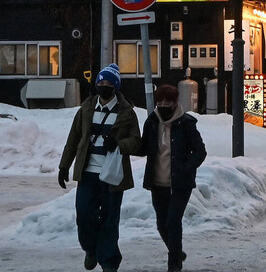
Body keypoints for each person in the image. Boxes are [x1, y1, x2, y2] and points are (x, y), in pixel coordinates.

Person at [58, 64, 142, 272]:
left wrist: (120, 145)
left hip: (113, 176)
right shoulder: (86, 108)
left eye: (108, 83)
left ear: (116, 87)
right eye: (101, 82)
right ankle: (91, 249)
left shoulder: (127, 112)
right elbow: (73, 139)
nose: (104, 86)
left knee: (110, 220)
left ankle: (109, 261)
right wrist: (64, 166)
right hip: (87, 175)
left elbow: (137, 142)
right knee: (84, 216)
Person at [135, 84, 207, 272]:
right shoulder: (151, 122)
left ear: (175, 103)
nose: (163, 105)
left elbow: (200, 151)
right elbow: (143, 148)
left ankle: (173, 263)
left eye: (167, 102)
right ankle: (176, 252)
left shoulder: (187, 124)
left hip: (180, 183)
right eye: (160, 102)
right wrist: (125, 143)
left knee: (173, 221)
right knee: (161, 224)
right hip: (157, 181)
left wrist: (185, 168)